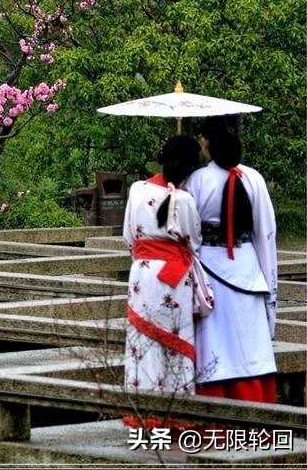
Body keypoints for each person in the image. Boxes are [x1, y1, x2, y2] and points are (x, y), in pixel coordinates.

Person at [186, 115, 278, 403]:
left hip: (209, 272)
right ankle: (258, 416)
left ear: (208, 143)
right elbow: (266, 233)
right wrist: (270, 284)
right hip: (248, 268)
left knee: (215, 345)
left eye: (202, 137)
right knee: (249, 345)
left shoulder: (197, 180)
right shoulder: (254, 178)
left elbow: (188, 234)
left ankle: (215, 422)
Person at [122, 136, 203, 414]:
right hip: (176, 276)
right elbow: (195, 243)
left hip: (143, 274)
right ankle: (177, 411)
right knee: (176, 342)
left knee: (142, 341)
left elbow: (129, 237)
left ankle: (142, 410)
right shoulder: (186, 200)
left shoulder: (137, 190)